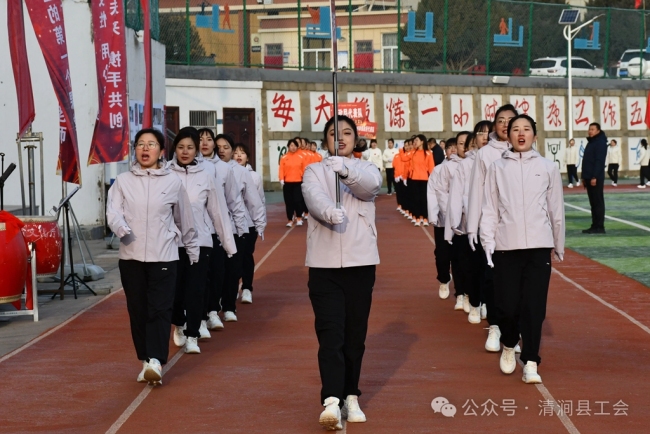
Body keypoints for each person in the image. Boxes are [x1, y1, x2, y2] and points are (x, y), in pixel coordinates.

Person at [302, 115, 382, 430]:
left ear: (356, 139)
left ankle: (352, 394)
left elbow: (370, 188)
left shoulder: (366, 168)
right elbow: (313, 197)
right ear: (325, 140)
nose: (341, 138)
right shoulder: (313, 170)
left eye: (347, 133)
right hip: (323, 266)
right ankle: (332, 400)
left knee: (355, 336)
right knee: (330, 334)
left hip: (361, 263)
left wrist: (346, 171)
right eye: (334, 133)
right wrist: (327, 211)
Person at [106, 128, 199, 386]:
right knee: (138, 310)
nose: (145, 149)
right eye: (140, 144)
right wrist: (126, 235)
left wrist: (192, 250)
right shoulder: (123, 181)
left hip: (164, 256)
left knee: (160, 309)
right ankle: (146, 359)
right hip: (131, 258)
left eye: (151, 144)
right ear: (135, 150)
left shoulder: (172, 182)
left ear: (160, 151)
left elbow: (185, 219)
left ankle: (156, 360)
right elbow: (113, 213)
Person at [480, 114, 565, 384]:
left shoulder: (548, 167)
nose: (520, 133)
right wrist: (488, 243)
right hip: (506, 247)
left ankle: (530, 361)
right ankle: (508, 342)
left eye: (526, 129)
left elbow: (556, 209)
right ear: (508, 135)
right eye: (515, 129)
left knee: (534, 307)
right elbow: (489, 209)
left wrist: (558, 244)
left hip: (539, 248)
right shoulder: (497, 168)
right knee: (506, 305)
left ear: (534, 136)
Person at [168, 127, 236, 354]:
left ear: (196, 150)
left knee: (196, 290)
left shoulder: (206, 175)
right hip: (173, 243)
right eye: (180, 147)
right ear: (174, 149)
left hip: (201, 241)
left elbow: (218, 211)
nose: (185, 152)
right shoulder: (166, 174)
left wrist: (228, 244)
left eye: (190, 147)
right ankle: (179, 323)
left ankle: (192, 335)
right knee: (175, 292)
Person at [467, 104, 518, 353]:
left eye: (511, 120)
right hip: (492, 226)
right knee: (492, 278)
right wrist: (472, 227)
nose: (506, 124)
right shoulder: (485, 153)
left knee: (517, 283)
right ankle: (495, 326)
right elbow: (477, 190)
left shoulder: (526, 150)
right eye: (501, 120)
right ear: (494, 125)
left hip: (519, 228)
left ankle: (513, 331)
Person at [198, 128, 248, 331]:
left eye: (209, 139)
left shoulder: (225, 169)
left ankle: (213, 311)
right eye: (200, 139)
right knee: (201, 275)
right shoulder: (188, 167)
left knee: (220, 272)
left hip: (219, 229)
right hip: (197, 232)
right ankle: (199, 315)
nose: (205, 143)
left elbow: (234, 200)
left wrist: (241, 229)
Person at [216, 134, 266, 319]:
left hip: (241, 226)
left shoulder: (244, 173)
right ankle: (217, 303)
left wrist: (259, 224)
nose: (222, 150)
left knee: (237, 264)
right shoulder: (207, 170)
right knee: (217, 268)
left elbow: (255, 201)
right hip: (215, 228)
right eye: (218, 147)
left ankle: (238, 295)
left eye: (227, 147)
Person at [445, 133, 483, 323]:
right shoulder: (457, 167)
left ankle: (481, 300)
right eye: (460, 144)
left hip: (486, 224)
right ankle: (464, 294)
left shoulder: (491, 161)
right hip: (463, 222)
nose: (460, 147)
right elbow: (450, 195)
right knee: (462, 261)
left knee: (486, 267)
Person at [233, 143, 267, 303]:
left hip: (249, 224)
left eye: (242, 152)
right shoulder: (227, 173)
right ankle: (232, 287)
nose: (239, 155)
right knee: (233, 258)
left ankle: (247, 288)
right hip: (231, 225)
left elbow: (259, 201)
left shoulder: (254, 177)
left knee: (246, 256)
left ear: (248, 156)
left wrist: (260, 223)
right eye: (236, 153)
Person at [427, 137, 457, 301]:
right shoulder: (438, 169)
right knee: (442, 253)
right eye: (450, 147)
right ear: (445, 151)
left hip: (462, 222)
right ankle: (444, 280)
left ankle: (462, 290)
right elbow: (432, 194)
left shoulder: (467, 168)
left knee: (460, 256)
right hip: (442, 220)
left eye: (456, 147)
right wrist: (433, 215)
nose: (453, 150)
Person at [401, 134, 434, 226]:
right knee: (416, 199)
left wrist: (433, 179)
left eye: (416, 140)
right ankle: (417, 217)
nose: (415, 142)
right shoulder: (413, 152)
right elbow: (403, 158)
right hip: (414, 178)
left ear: (422, 141)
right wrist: (402, 149)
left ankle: (425, 217)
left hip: (424, 179)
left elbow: (431, 167)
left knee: (424, 199)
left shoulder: (428, 153)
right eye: (414, 141)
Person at [581, 123, 608, 234]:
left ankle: (600, 226)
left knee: (597, 202)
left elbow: (599, 162)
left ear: (598, 131)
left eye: (592, 129)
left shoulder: (600, 143)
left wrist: (594, 176)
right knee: (593, 203)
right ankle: (594, 225)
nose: (590, 131)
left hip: (595, 177)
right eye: (589, 129)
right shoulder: (591, 143)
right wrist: (584, 177)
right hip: (588, 176)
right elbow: (586, 161)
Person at [279, 138, 307, 227]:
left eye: (295, 145)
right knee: (289, 202)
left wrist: (304, 178)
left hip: (298, 182)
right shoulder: (284, 157)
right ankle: (290, 220)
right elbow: (281, 169)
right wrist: (281, 179)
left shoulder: (301, 157)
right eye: (291, 145)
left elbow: (304, 169)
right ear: (288, 147)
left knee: (298, 201)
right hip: (287, 183)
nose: (293, 147)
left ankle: (299, 218)